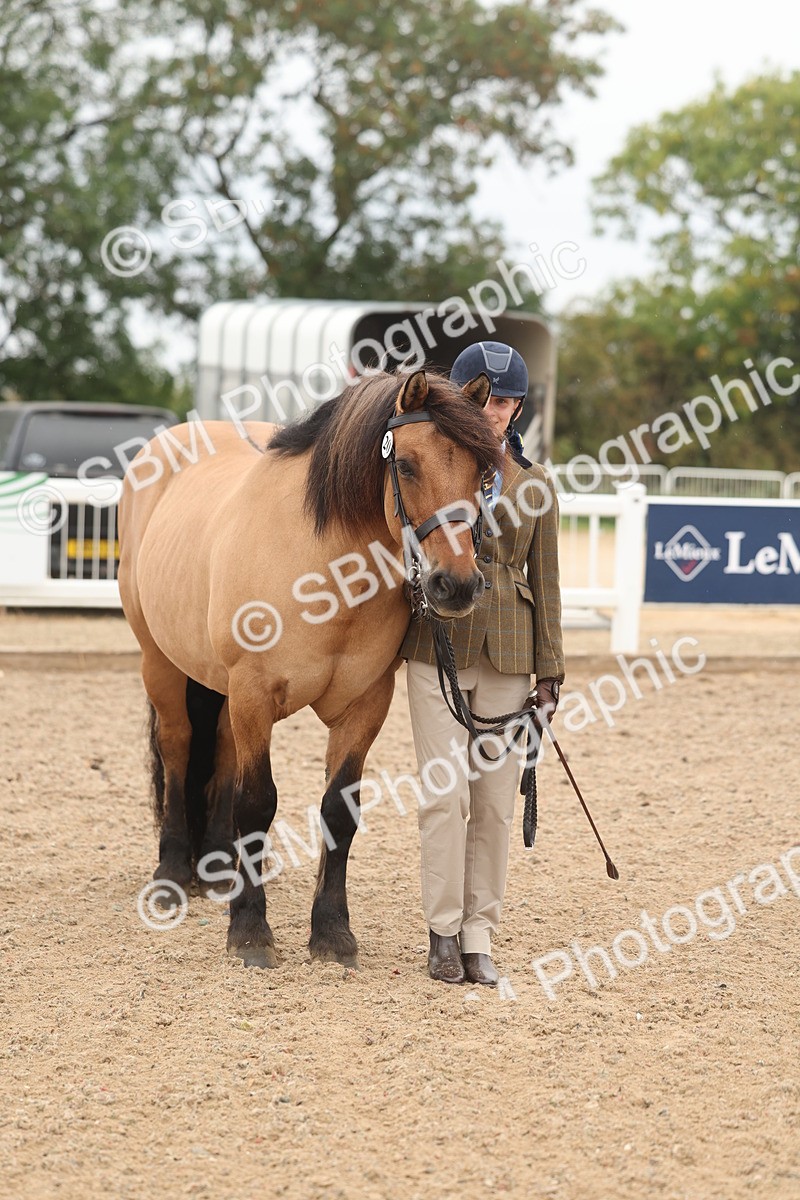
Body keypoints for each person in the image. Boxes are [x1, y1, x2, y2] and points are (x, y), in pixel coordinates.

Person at [401, 340, 565, 985]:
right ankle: (441, 932)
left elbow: (547, 583)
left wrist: (550, 673)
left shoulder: (535, 485)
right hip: (434, 648)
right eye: (486, 399)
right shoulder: (426, 468)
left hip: (510, 656)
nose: (496, 412)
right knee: (443, 798)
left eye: (507, 402)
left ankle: (479, 936)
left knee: (495, 803)